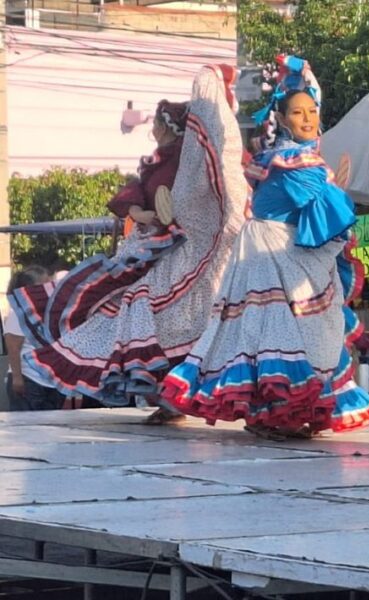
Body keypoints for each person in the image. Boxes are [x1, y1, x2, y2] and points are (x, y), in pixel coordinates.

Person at [8, 64, 247, 423]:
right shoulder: (155, 164)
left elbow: (208, 186)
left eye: (157, 122)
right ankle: (167, 397)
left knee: (161, 317)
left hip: (180, 253)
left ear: (170, 126)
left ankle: (179, 396)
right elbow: (134, 196)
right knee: (120, 312)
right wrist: (141, 211)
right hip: (148, 251)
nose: (152, 126)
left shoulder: (189, 164)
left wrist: (213, 94)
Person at [161, 55, 369, 441]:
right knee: (283, 332)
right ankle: (281, 412)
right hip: (275, 256)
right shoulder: (292, 160)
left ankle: (281, 411)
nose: (309, 118)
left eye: (313, 111)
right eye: (299, 112)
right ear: (282, 117)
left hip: (279, 252)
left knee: (279, 333)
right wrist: (337, 191)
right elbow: (325, 211)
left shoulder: (287, 156)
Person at [107, 99, 189, 232]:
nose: (152, 129)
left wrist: (140, 213)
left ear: (162, 129)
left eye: (155, 124)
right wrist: (137, 212)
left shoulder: (172, 165)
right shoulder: (169, 160)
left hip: (169, 241)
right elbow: (139, 188)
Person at [4, 266, 64, 411]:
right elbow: (13, 347)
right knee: (28, 429)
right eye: (45, 285)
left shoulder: (48, 312)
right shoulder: (19, 313)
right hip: (29, 379)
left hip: (50, 381)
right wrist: (17, 378)